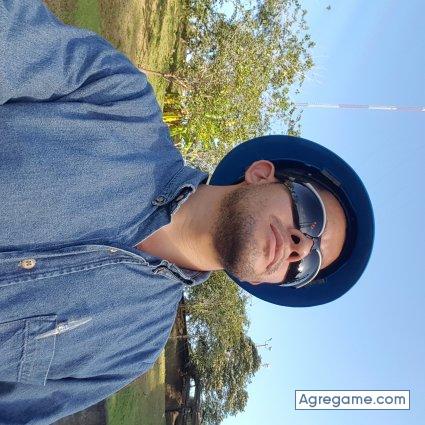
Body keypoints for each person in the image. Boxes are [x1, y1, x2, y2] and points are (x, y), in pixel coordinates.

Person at [0, 1, 374, 423]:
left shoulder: (129, 351)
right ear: (261, 174)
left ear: (268, 281)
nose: (300, 246)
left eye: (306, 266)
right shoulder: (117, 101)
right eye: (310, 213)